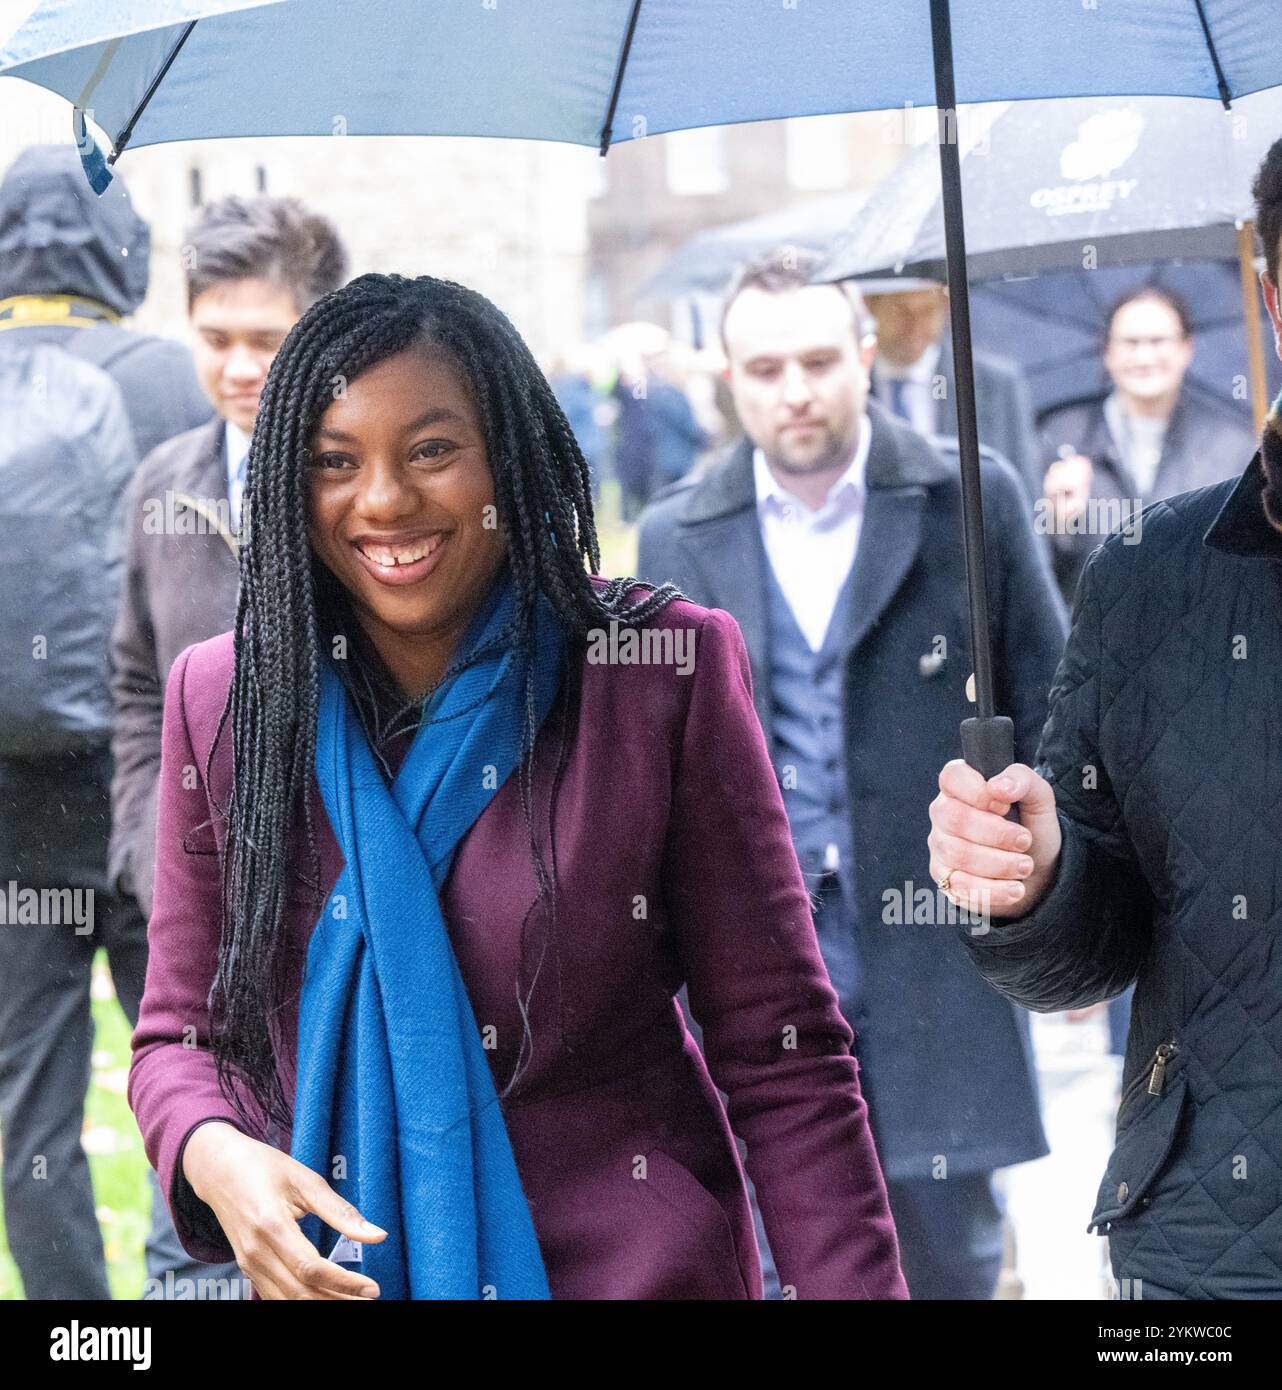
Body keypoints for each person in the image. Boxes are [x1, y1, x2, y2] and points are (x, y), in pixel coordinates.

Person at [127, 271, 907, 1301]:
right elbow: (181, 1033)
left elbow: (783, 1055)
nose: (384, 499)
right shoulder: (223, 700)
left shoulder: (654, 673)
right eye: (332, 461)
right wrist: (213, 1148)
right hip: (344, 1270)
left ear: (510, 453)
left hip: (636, 1271)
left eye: (433, 450)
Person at [637, 250, 1067, 1300]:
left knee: (946, 1260)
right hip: (759, 974)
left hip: (935, 964)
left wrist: (1059, 900)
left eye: (820, 360)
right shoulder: (672, 534)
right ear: (727, 376)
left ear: (865, 357)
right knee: (784, 1262)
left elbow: (1060, 716)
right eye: (767, 365)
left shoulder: (966, 501)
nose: (795, 390)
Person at [925, 135, 1282, 1302]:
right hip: (1213, 1257)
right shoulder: (1146, 578)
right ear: (1271, 290)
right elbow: (1094, 937)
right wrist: (1032, 879)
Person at [108, 194, 348, 1298]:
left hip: (333, 908)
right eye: (217, 339)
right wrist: (151, 860)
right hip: (198, 918)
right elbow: (133, 685)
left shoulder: (357, 484)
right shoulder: (164, 482)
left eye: (269, 339)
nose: (242, 366)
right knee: (194, 1195)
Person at [0, 145, 212, 1301]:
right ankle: (190, 1288)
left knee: (25, 1090)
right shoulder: (173, 382)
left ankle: (76, 1329)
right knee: (182, 1058)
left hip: (6, 807)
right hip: (153, 791)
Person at [1039, 286, 1256, 605]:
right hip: (1097, 638)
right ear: (1107, 351)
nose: (1144, 357)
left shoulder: (1233, 445)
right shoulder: (1060, 437)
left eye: (1158, 342)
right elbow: (1034, 574)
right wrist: (1056, 521)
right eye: (1130, 343)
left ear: (1187, 348)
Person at [864, 280, 1041, 505]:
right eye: (901, 310)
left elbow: (1025, 493)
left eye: (927, 310)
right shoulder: (850, 388)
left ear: (946, 306)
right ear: (869, 306)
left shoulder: (996, 385)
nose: (915, 326)